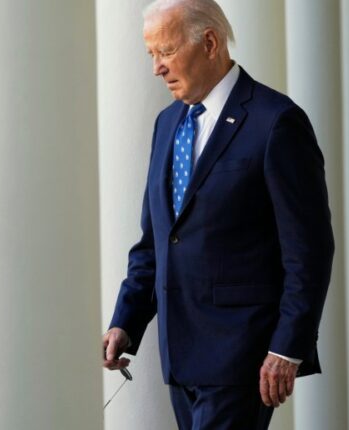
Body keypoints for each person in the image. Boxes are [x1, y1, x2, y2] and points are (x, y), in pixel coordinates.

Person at [102, 0, 334, 428]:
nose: (156, 68)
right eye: (151, 54)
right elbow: (156, 241)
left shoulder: (276, 122)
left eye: (166, 51)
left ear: (209, 43)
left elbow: (309, 250)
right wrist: (125, 322)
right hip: (180, 357)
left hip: (242, 356)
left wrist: (287, 348)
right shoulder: (167, 124)